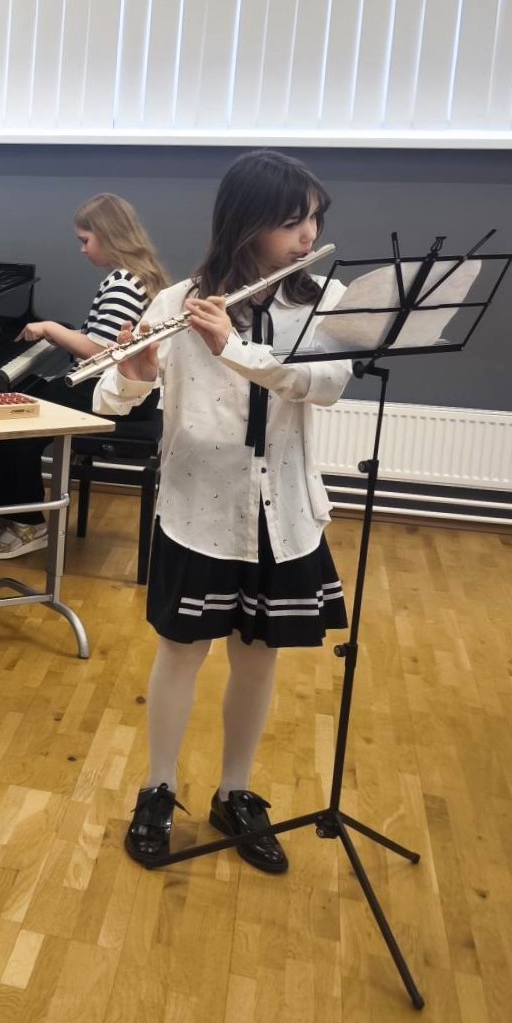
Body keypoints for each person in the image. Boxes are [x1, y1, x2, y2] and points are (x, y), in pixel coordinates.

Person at [97, 150, 350, 874]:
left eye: (314, 220)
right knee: (181, 652)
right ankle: (159, 787)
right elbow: (111, 400)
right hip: (197, 510)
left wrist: (233, 348)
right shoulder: (176, 302)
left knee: (257, 656)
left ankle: (235, 791)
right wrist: (131, 374)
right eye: (292, 221)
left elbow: (325, 383)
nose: (308, 235)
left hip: (284, 513)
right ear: (247, 222)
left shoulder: (323, 300)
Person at [0, 193, 170, 559]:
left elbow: (100, 352)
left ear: (109, 235)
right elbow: (103, 340)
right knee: (21, 402)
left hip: (114, 394)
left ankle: (29, 524)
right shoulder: (138, 276)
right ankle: (0, 509)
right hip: (119, 388)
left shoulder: (123, 283)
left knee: (18, 415)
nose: (82, 249)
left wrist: (50, 328)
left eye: (85, 239)